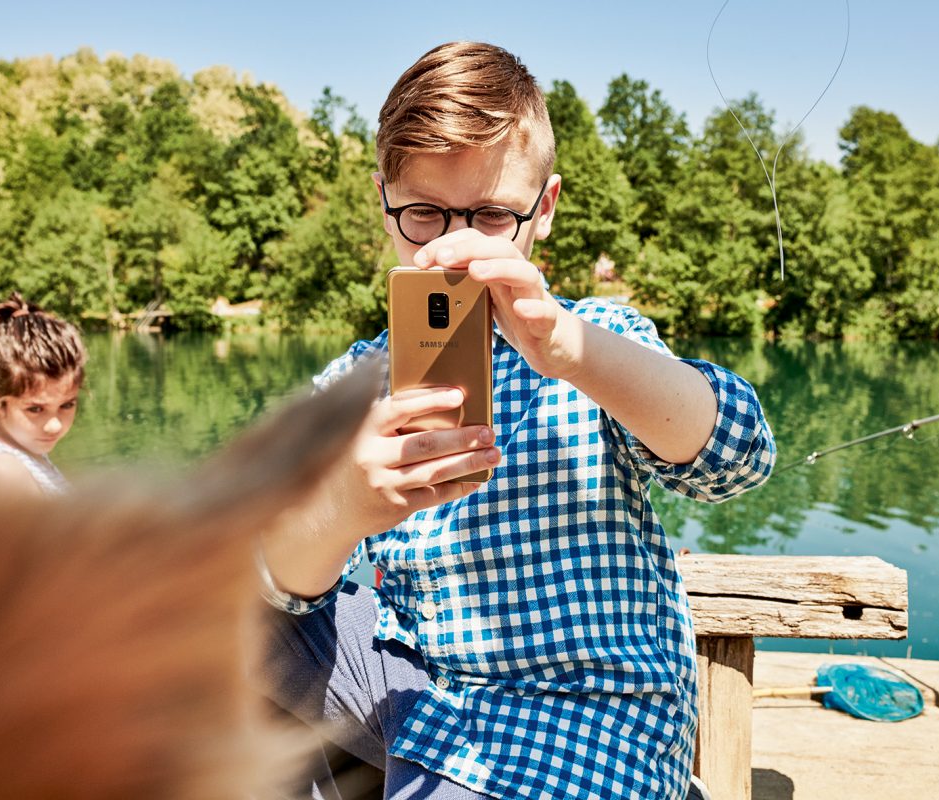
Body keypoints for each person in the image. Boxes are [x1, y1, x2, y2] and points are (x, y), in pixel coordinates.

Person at [258, 41, 775, 800]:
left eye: (494, 215)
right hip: (419, 687)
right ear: (384, 203)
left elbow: (740, 459)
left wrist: (568, 348)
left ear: (546, 208)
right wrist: (344, 508)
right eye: (424, 213)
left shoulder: (599, 339)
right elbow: (278, 583)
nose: (456, 244)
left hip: (588, 719)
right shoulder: (355, 383)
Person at [0, 292, 86, 498]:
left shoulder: (24, 451)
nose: (54, 425)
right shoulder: (5, 472)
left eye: (66, 405)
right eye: (35, 409)